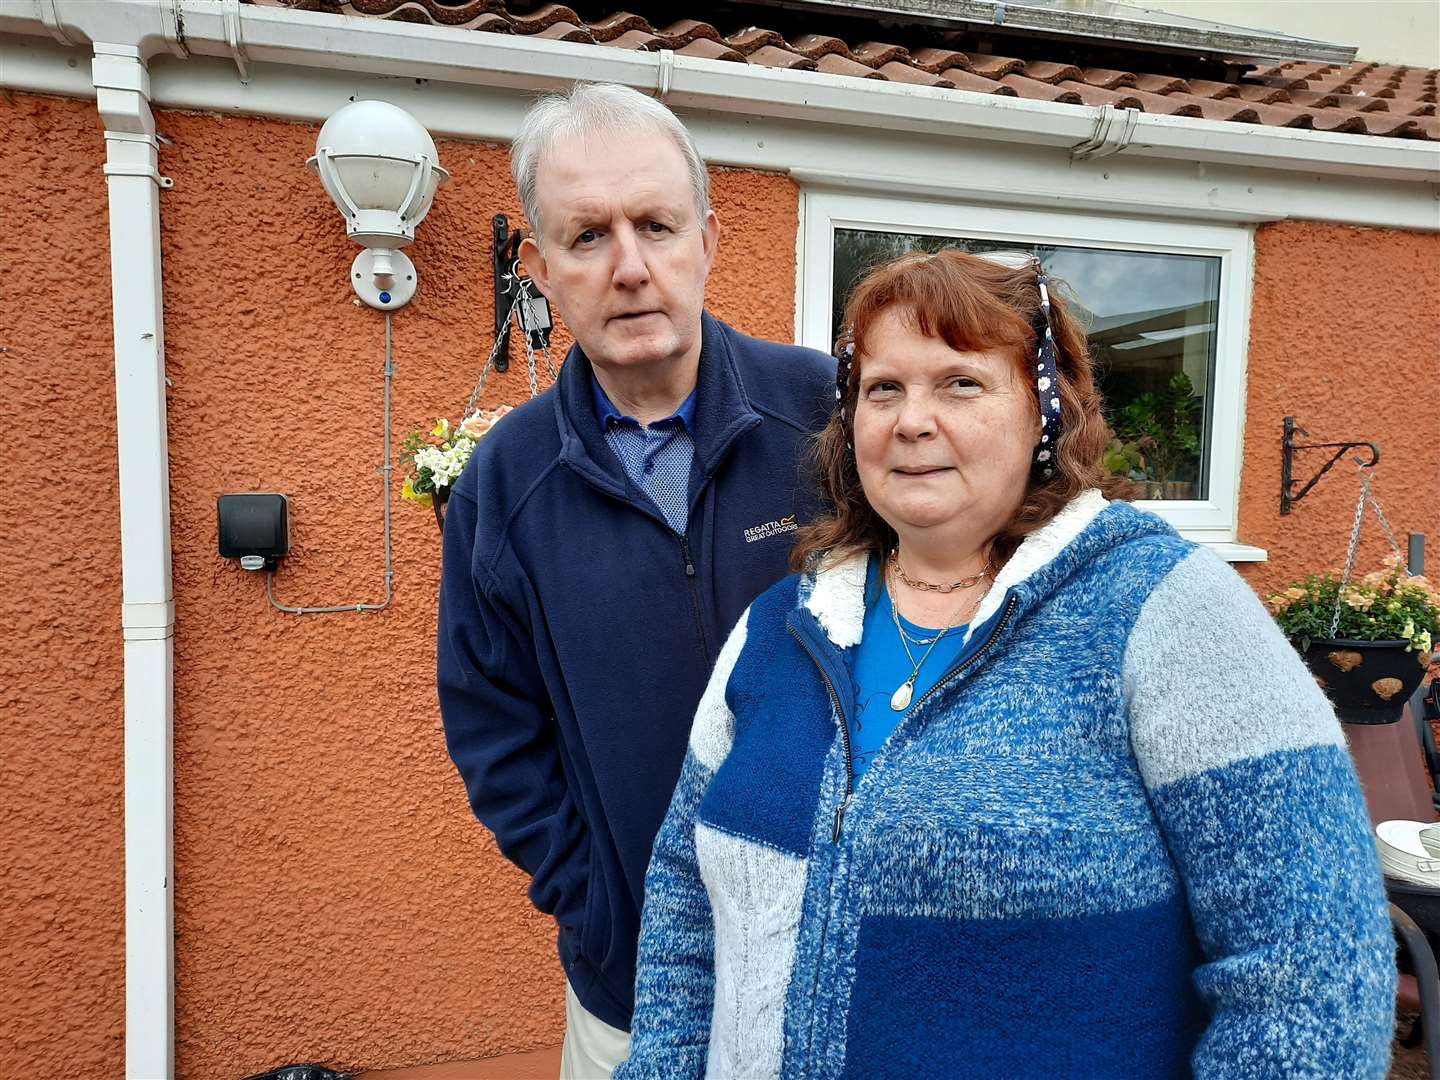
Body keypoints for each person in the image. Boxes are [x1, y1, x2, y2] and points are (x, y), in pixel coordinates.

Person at [617, 249, 1395, 1078]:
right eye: (883, 389)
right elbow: (683, 906)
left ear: (1045, 416)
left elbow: (1315, 973)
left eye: (960, 382)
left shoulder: (1168, 610)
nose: (912, 420)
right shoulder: (780, 628)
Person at [436, 83, 834, 1079]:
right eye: (587, 235)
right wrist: (601, 907)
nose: (630, 267)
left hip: (840, 964)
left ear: (707, 235)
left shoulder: (831, 416)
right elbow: (493, 725)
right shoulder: (505, 482)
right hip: (632, 990)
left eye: (656, 225)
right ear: (541, 268)